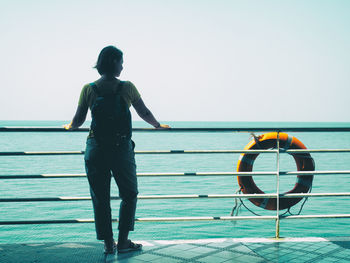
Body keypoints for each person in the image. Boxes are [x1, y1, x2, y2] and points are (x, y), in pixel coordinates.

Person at [64, 45, 170, 254]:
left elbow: (78, 120)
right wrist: (157, 125)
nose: (123, 65)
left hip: (96, 148)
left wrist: (69, 127)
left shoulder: (89, 88)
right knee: (129, 194)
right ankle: (123, 242)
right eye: (121, 61)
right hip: (121, 149)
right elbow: (144, 111)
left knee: (100, 197)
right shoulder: (127, 87)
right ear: (114, 62)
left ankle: (107, 244)